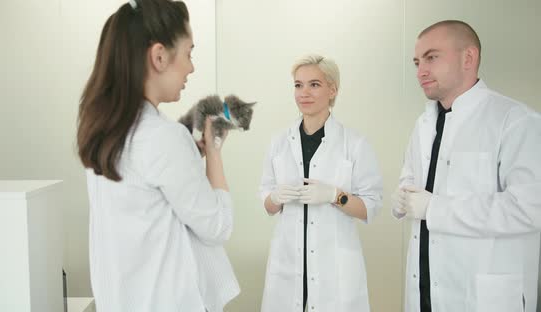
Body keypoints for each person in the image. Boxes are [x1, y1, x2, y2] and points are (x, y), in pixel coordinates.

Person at [76, 0, 238, 311]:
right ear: (159, 56)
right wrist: (214, 152)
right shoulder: (163, 136)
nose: (191, 67)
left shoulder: (104, 132)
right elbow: (218, 225)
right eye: (189, 53)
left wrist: (190, 158)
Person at [392, 20, 541, 312]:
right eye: (417, 61)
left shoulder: (515, 121)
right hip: (424, 289)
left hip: (483, 296)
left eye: (432, 57)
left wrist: (435, 209)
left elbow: (530, 208)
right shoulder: (423, 125)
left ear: (468, 58)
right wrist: (403, 197)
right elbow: (411, 178)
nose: (421, 71)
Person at [259, 54, 383, 311]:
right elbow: (267, 204)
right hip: (288, 264)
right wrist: (275, 197)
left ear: (332, 89)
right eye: (298, 85)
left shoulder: (355, 144)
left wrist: (335, 195)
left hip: (334, 269)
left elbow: (371, 207)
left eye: (314, 84)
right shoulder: (279, 143)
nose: (304, 92)